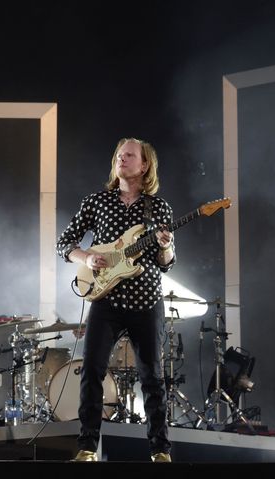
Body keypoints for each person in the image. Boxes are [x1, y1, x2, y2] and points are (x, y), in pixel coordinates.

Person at [56, 138, 175, 462]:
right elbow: (64, 242)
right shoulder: (97, 202)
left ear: (144, 165)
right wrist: (87, 256)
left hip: (146, 301)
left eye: (130, 155)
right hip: (106, 300)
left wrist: (165, 245)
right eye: (120, 155)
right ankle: (86, 447)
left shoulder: (158, 207)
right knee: (91, 371)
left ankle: (160, 451)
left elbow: (166, 263)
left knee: (152, 376)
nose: (122, 159)